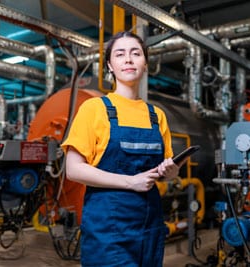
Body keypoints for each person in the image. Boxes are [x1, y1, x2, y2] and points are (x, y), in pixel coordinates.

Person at [61, 31, 180, 267]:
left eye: (136, 53)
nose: (128, 59)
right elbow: (73, 170)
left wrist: (171, 171)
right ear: (110, 65)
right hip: (108, 230)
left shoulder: (156, 115)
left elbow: (168, 172)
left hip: (149, 226)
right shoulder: (94, 109)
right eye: (120, 54)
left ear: (145, 64)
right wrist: (130, 182)